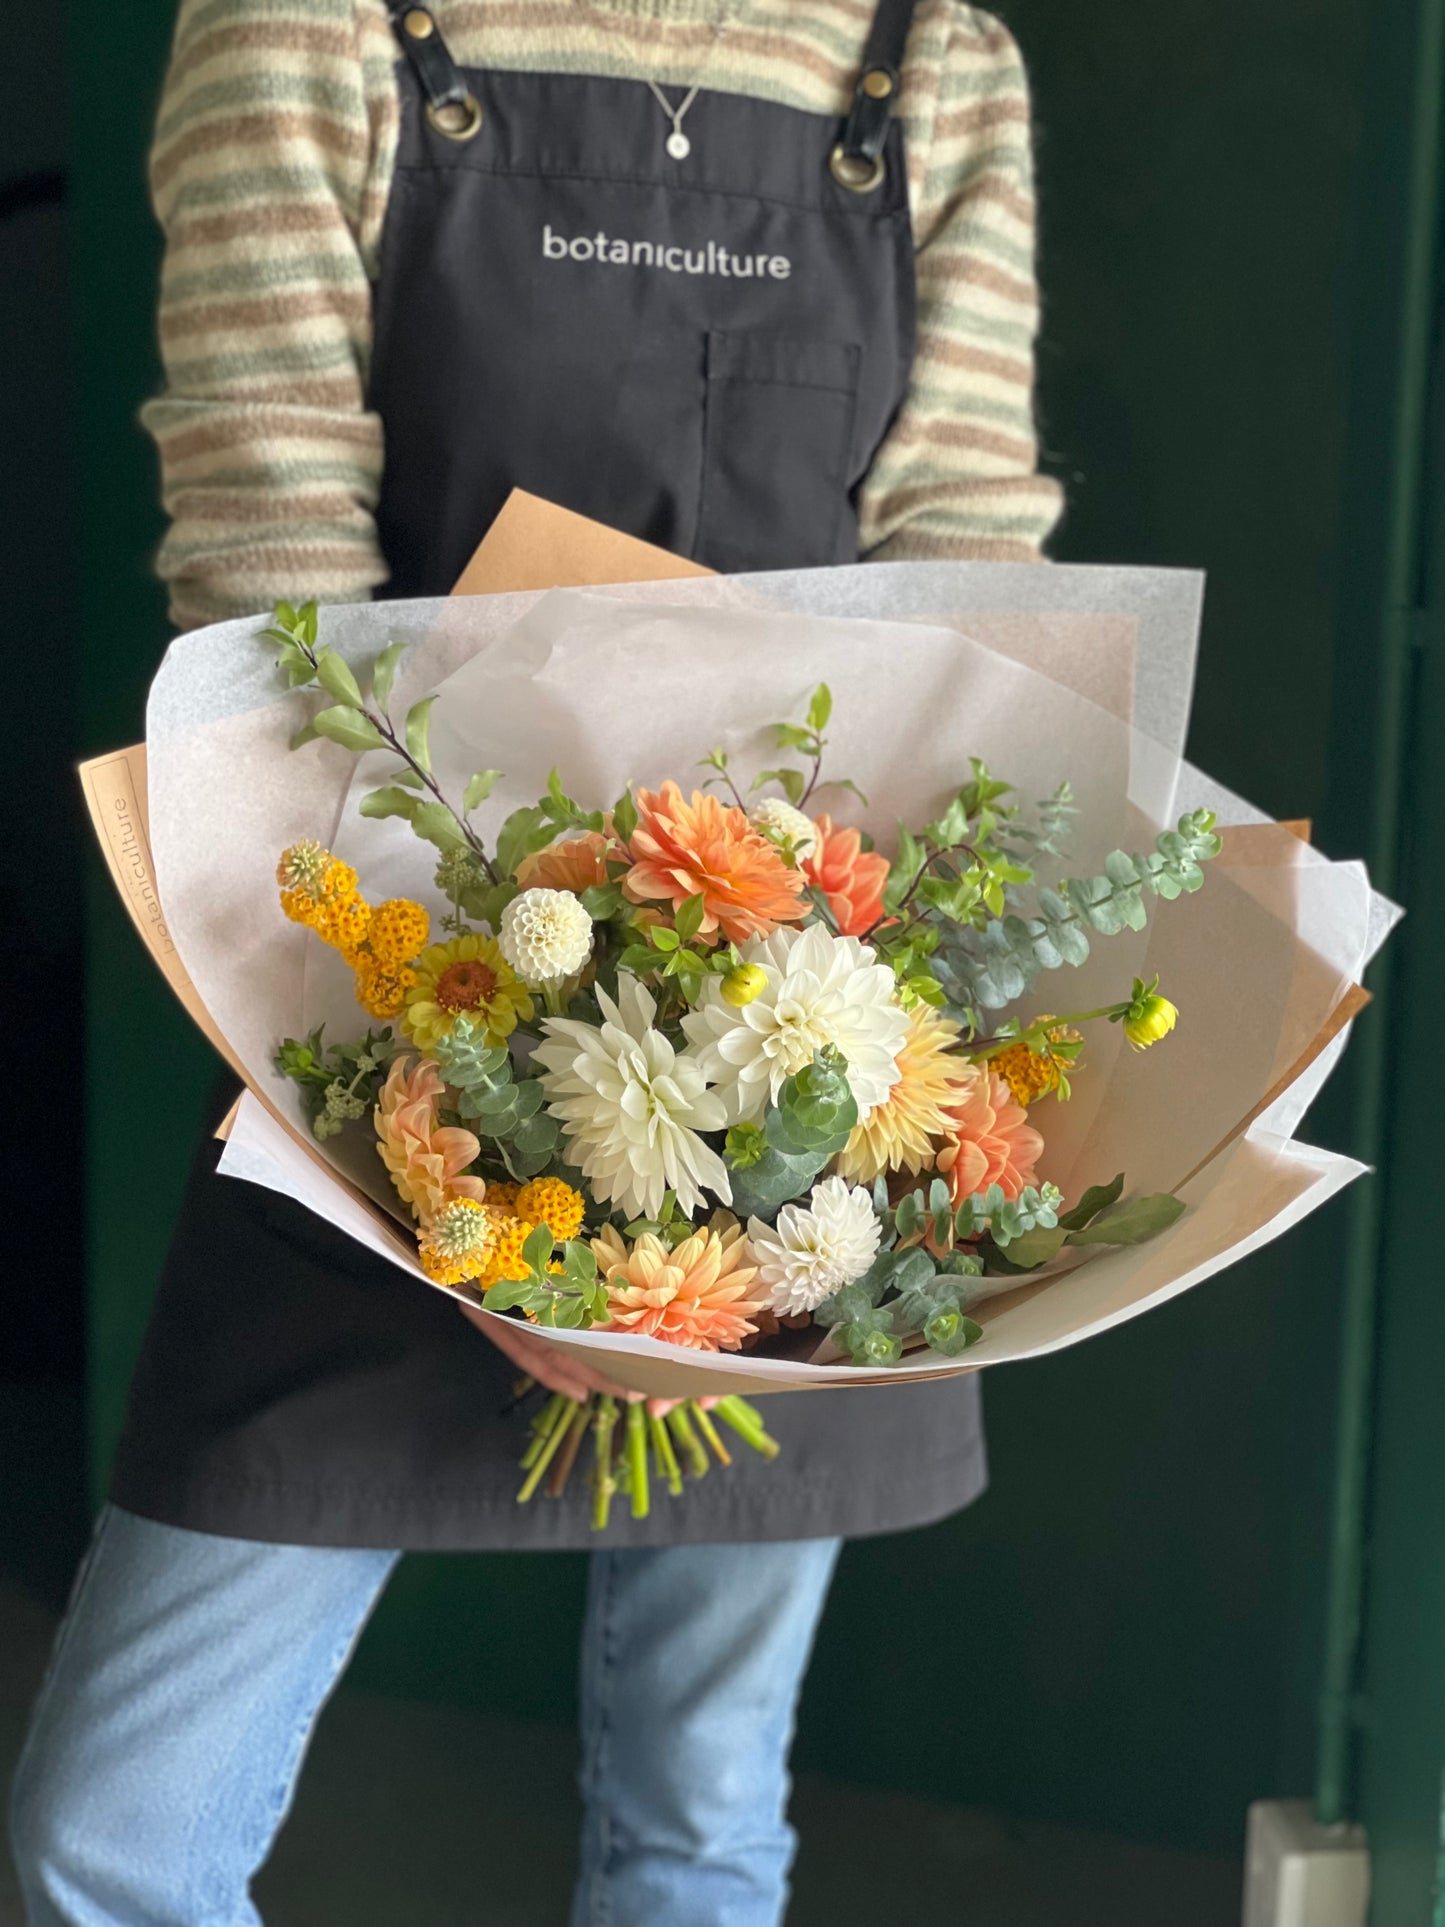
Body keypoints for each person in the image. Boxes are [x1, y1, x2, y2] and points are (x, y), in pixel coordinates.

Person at [11, 0, 1062, 1920]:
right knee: (113, 1841)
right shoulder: (308, 26)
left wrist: (783, 1160)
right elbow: (264, 619)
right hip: (379, 1051)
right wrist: (462, 1170)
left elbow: (970, 599)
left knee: (697, 1828)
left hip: (809, 1104)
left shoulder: (931, 61)